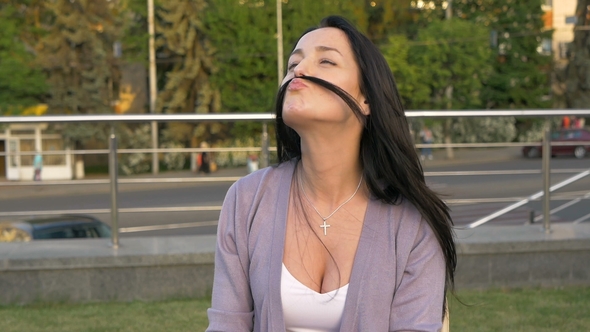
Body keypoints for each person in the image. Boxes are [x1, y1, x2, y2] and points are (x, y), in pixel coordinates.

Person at [206, 15, 455, 331]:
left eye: (326, 61)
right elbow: (227, 324)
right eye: (292, 64)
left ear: (366, 98)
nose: (299, 70)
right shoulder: (246, 199)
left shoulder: (412, 224)